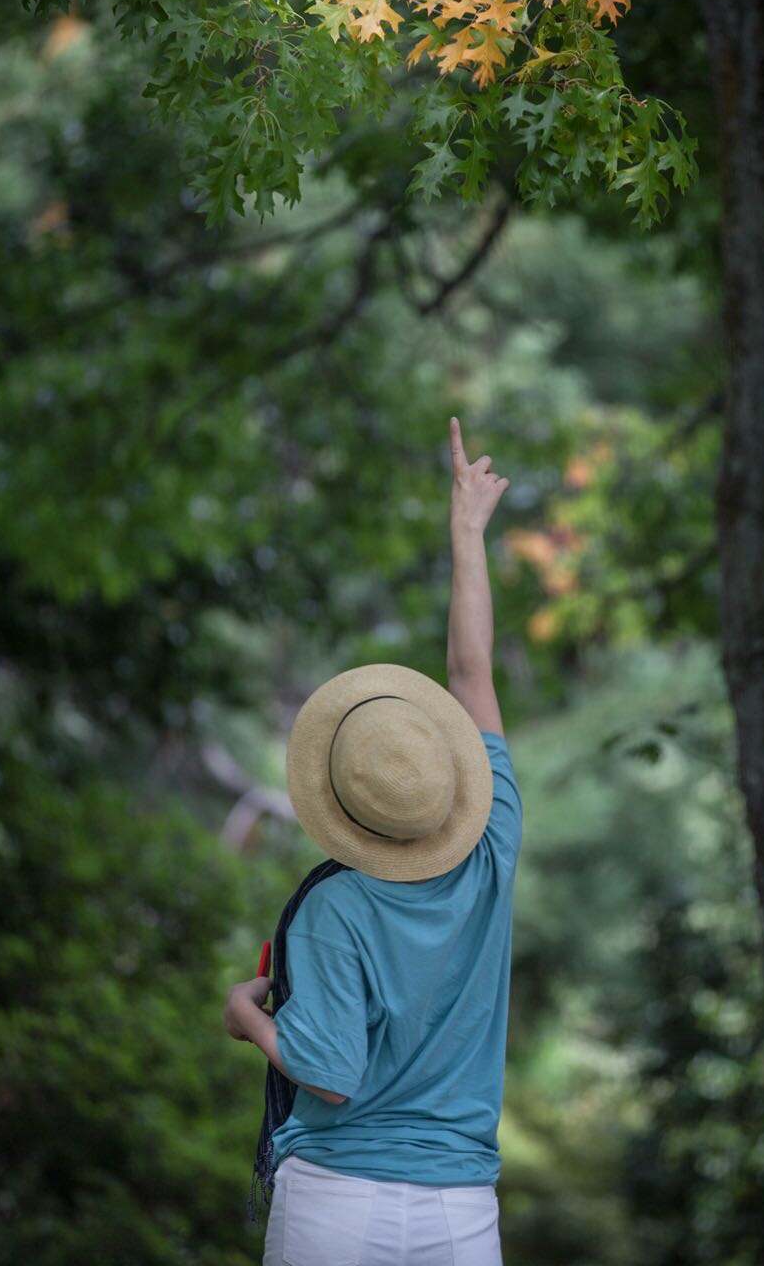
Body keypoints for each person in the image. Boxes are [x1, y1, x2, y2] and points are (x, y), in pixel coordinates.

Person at [223, 415, 522, 1266]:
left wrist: (247, 1017)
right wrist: (468, 529)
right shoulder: (495, 844)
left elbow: (327, 1071)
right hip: (464, 1211)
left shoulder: (333, 908)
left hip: (337, 1203)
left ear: (339, 801)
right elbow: (474, 672)